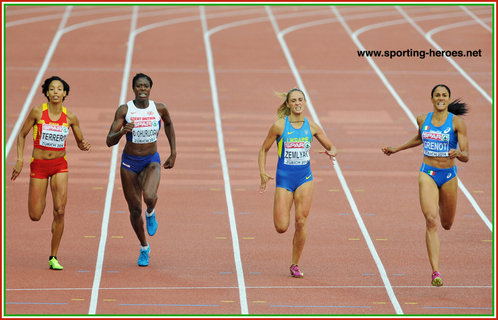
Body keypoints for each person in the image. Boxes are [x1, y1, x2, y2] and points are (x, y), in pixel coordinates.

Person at [381, 84, 469, 286]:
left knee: (446, 224)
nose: (440, 98)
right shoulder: (423, 119)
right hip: (427, 173)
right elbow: (419, 139)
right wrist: (397, 149)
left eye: (444, 95)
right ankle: (435, 272)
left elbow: (466, 156)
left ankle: (441, 200)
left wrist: (458, 154)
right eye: (437, 95)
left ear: (448, 99)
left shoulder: (457, 123)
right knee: (431, 220)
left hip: (448, 175)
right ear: (431, 99)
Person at [11, 76, 91, 270]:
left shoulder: (70, 117)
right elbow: (21, 135)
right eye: (52, 89)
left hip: (59, 165)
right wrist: (20, 160)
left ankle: (53, 256)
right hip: (38, 166)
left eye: (59, 89)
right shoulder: (38, 112)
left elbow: (81, 141)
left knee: (60, 210)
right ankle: (44, 197)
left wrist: (84, 145)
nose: (56, 92)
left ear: (65, 94)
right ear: (47, 92)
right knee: (35, 215)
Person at [258, 88, 337, 278]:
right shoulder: (279, 126)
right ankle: (282, 212)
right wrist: (262, 173)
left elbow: (332, 145)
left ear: (305, 102)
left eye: (300, 100)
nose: (297, 103)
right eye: (293, 100)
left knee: (301, 221)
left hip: (304, 178)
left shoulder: (312, 126)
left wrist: (332, 151)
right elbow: (263, 150)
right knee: (281, 227)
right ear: (288, 104)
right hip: (284, 179)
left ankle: (294, 264)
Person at [106, 73, 176, 267]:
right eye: (139, 86)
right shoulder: (124, 110)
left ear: (150, 88)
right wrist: (122, 131)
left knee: (150, 196)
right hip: (129, 164)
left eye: (145, 86)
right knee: (135, 210)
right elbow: (108, 141)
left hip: (151, 160)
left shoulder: (159, 108)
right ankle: (144, 247)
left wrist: (173, 152)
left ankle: (151, 211)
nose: (142, 89)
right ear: (134, 89)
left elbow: (169, 125)